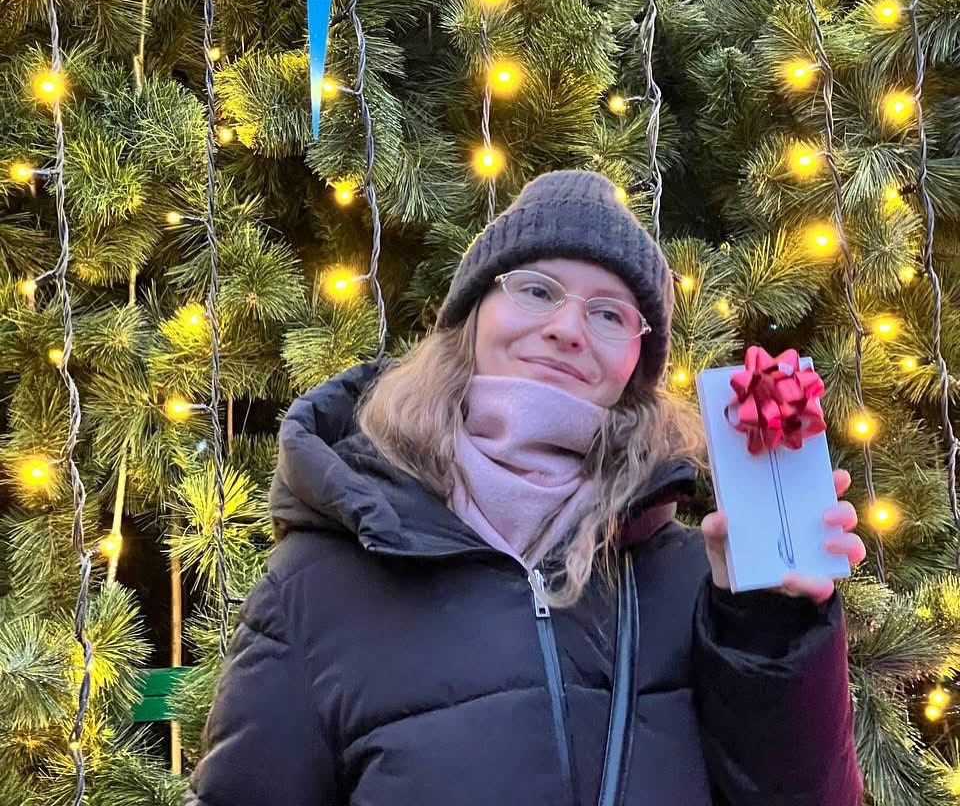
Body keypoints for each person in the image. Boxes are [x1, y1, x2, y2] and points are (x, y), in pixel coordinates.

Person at [185, 170, 865, 806]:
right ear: (473, 314)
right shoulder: (315, 586)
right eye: (537, 291)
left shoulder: (698, 584)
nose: (567, 329)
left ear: (638, 361)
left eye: (609, 314)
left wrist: (768, 626)